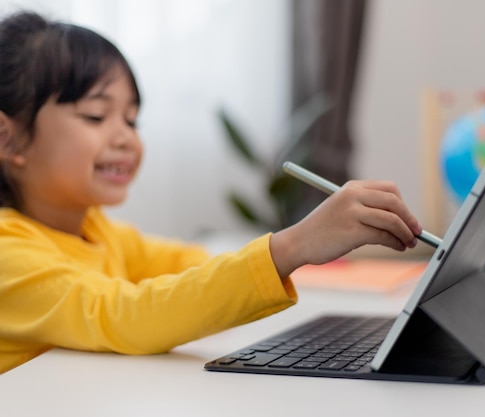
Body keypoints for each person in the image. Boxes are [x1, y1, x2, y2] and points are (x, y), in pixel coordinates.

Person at [0, 11, 422, 374]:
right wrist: (291, 246)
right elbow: (123, 315)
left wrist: (291, 260)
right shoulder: (8, 252)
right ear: (8, 140)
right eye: (96, 115)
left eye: (131, 120)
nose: (126, 138)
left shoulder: (94, 229)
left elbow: (188, 267)